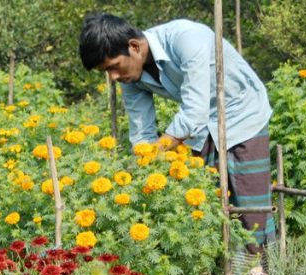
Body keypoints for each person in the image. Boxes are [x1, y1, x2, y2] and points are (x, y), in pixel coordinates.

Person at [78, 13, 275, 257]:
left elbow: (194, 111)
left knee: (250, 202)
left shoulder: (186, 39)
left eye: (113, 66)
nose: (113, 77)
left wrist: (156, 151)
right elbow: (142, 132)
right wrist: (141, 172)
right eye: (105, 72)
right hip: (202, 127)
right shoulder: (131, 78)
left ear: (134, 46)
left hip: (242, 113)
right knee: (207, 202)